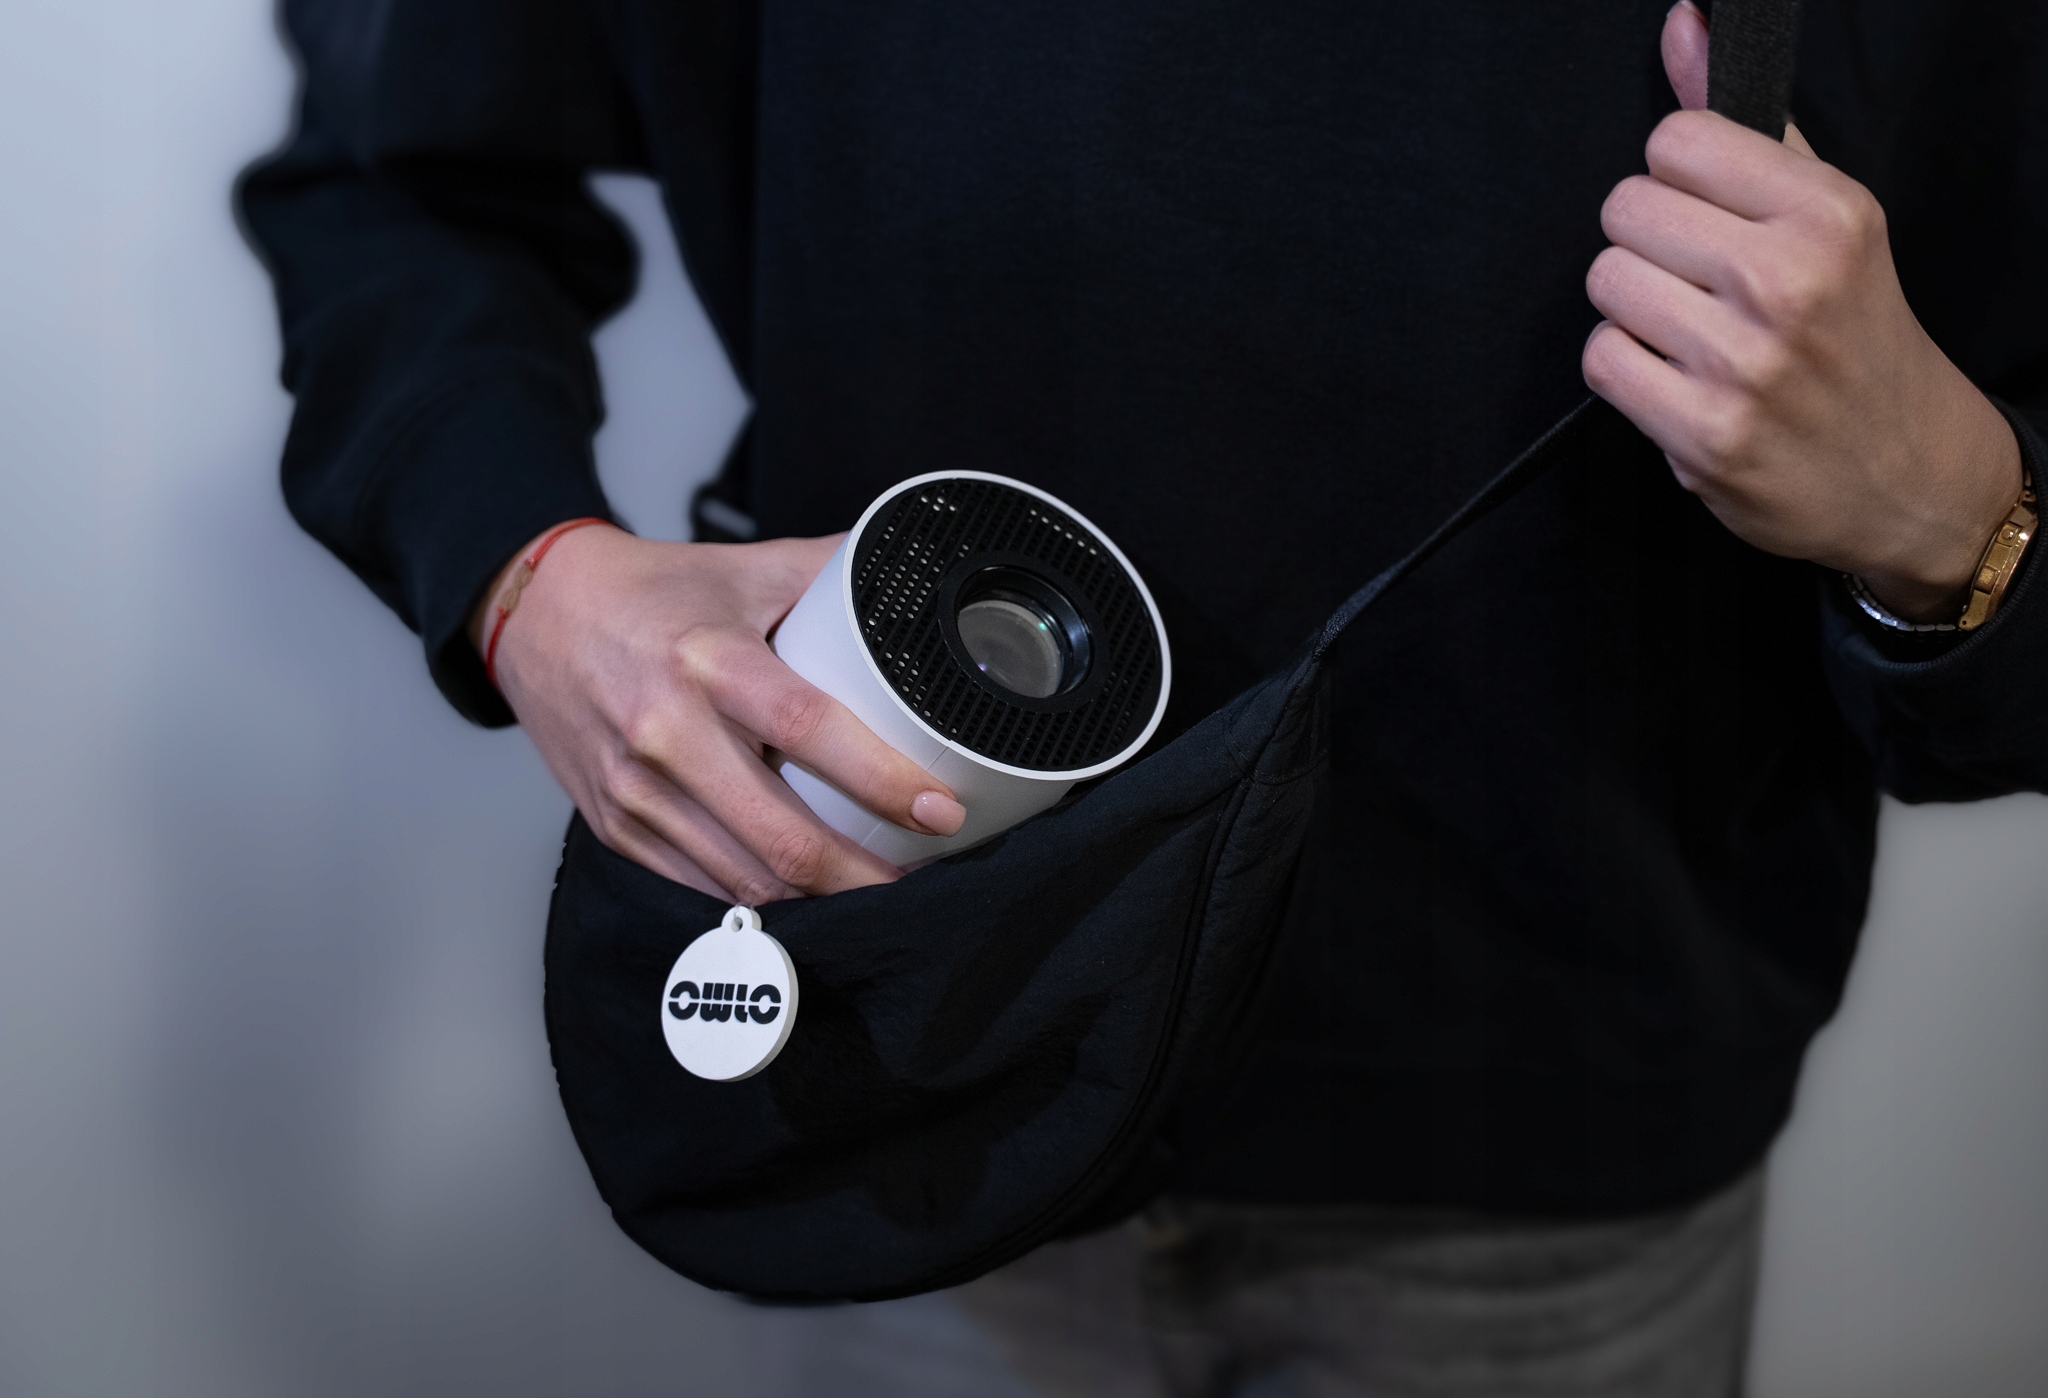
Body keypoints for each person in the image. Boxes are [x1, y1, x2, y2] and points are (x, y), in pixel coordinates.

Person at [240, 0, 2046, 1391]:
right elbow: (393, 176)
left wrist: (1960, 514)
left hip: (1553, 1151)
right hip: (911, 1055)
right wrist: (534, 583)